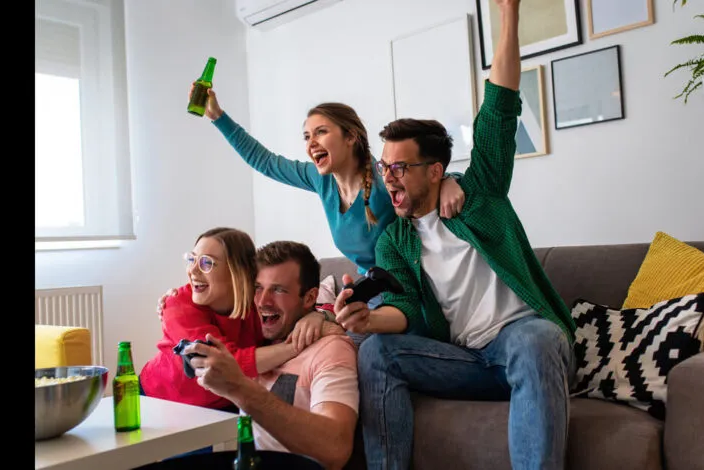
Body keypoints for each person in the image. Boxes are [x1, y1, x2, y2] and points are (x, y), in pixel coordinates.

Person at [330, 1, 577, 469]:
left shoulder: (479, 192)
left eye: (400, 167)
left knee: (535, 339)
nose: (390, 179)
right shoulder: (393, 241)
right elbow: (401, 309)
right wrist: (366, 320)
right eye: (385, 168)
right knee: (376, 353)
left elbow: (500, 106)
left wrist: (509, 15)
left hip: (524, 342)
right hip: (463, 360)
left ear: (436, 170)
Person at [194, 82, 467, 282]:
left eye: (321, 132)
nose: (311, 143)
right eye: (306, 136)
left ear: (350, 137)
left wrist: (450, 181)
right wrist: (217, 116)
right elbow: (264, 162)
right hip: (368, 288)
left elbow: (422, 179)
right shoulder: (320, 180)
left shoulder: (383, 176)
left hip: (409, 288)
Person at [184, 241, 359, 470]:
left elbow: (335, 449)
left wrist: (240, 388)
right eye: (257, 287)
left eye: (278, 290)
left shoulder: (330, 349)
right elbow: (207, 291)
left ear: (309, 298)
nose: (262, 301)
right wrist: (174, 300)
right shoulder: (251, 334)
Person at [140, 227, 340, 414]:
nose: (192, 271)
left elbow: (309, 305)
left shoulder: (257, 302)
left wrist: (319, 316)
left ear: (238, 273)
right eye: (191, 259)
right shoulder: (178, 305)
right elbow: (227, 365)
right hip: (162, 401)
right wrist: (298, 344)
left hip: (224, 405)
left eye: (207, 263)